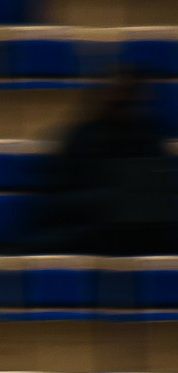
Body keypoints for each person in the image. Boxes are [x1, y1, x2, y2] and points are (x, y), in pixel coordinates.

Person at [31, 71, 174, 257]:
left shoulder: (150, 138)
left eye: (133, 98)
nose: (127, 104)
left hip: (142, 234)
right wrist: (110, 200)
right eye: (121, 97)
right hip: (89, 230)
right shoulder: (82, 137)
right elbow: (59, 200)